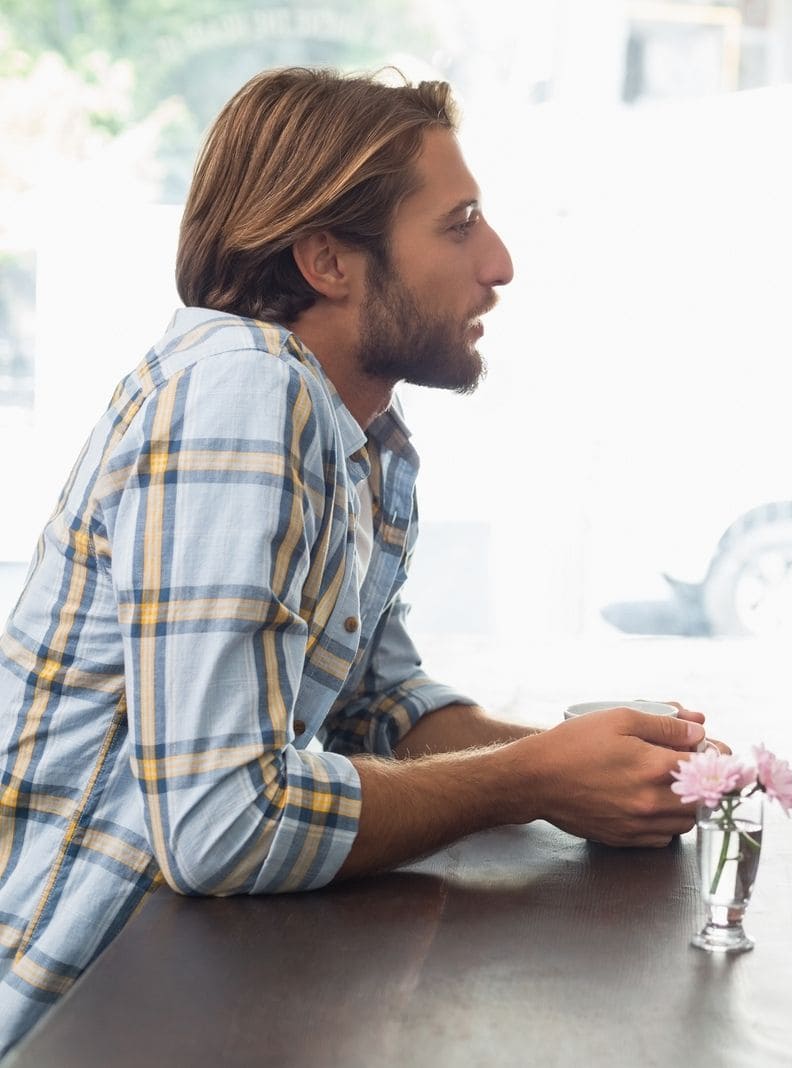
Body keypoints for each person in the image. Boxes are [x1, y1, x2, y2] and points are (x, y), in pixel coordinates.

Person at [0, 67, 719, 1053]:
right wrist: (532, 779)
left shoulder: (357, 440)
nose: (500, 265)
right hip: (71, 1015)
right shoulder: (242, 392)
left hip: (184, 986)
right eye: (458, 225)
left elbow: (372, 706)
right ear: (330, 262)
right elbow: (223, 825)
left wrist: (593, 768)